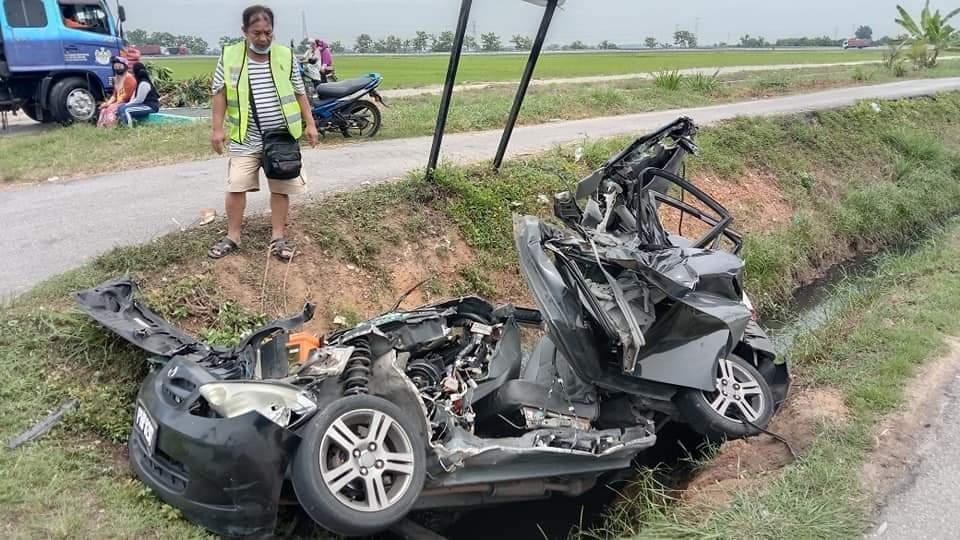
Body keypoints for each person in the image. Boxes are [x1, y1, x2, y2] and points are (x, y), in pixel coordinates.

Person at [208, 5, 319, 261]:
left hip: (280, 136)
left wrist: (310, 124)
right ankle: (233, 236)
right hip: (245, 136)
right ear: (244, 31)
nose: (263, 38)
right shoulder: (229, 56)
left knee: (280, 187)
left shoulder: (285, 55)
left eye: (268, 32)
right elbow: (219, 93)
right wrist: (217, 129)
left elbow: (299, 92)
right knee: (236, 186)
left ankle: (278, 237)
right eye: (256, 33)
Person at [97, 56, 136, 128]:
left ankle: (111, 127)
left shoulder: (129, 78)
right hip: (119, 102)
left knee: (110, 109)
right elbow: (114, 95)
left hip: (127, 102)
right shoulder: (117, 79)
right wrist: (108, 103)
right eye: (115, 67)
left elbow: (126, 97)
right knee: (103, 110)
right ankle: (101, 127)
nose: (117, 68)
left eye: (119, 66)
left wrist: (113, 104)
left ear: (125, 67)